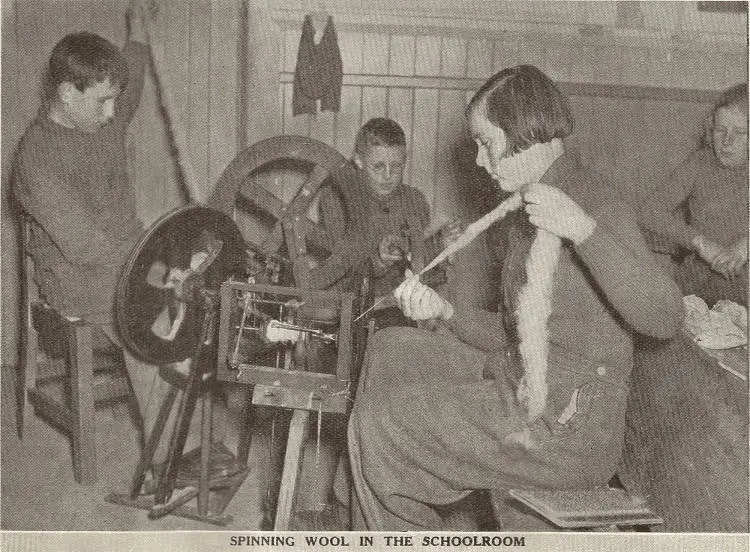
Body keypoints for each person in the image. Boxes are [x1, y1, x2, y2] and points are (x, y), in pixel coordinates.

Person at [346, 65, 684, 530]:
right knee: (390, 349)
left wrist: (583, 230)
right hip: (522, 381)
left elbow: (666, 317)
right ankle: (379, 502)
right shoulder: (535, 201)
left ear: (526, 133)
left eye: (487, 143)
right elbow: (513, 336)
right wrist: (445, 310)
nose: (482, 161)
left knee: (385, 422)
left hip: (565, 428)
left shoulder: (592, 203)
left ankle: (391, 504)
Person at [13, 1, 237, 489]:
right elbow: (88, 248)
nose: (116, 113)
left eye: (116, 100)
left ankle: (190, 426)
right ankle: (167, 458)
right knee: (151, 324)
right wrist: (163, 274)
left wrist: (138, 27)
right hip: (77, 280)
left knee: (205, 285)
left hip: (131, 258)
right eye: (103, 101)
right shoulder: (35, 161)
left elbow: (129, 77)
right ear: (67, 93)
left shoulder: (102, 117)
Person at [639, 82, 748, 306]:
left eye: (740, 132)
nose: (726, 142)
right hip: (695, 280)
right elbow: (649, 211)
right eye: (720, 130)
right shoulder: (700, 162)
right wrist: (700, 243)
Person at [317, 117, 431, 327]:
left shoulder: (415, 201)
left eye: (396, 167)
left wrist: (442, 241)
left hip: (399, 306)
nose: (388, 176)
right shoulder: (335, 200)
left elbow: (420, 260)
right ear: (358, 161)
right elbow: (339, 268)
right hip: (349, 307)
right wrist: (377, 260)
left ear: (405, 160)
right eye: (378, 167)